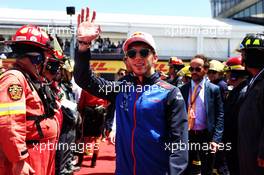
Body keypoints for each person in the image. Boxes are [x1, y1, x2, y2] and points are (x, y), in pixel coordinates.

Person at [74, 7, 188, 175]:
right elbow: (84, 79)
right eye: (132, 53)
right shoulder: (122, 87)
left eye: (144, 52)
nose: (138, 58)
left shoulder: (170, 92)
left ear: (155, 57)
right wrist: (84, 46)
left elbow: (179, 144)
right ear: (126, 59)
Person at [0, 25, 62, 175]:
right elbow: (10, 122)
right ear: (37, 57)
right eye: (46, 58)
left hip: (42, 152)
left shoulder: (31, 79)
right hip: (29, 156)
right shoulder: (14, 79)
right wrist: (19, 160)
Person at [180, 54, 224, 175]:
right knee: (185, 169)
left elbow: (220, 115)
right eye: (191, 69)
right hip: (187, 135)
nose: (193, 72)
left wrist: (216, 140)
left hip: (206, 136)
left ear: (205, 69)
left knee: (207, 170)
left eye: (197, 69)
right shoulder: (182, 89)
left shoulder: (214, 89)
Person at [237, 33, 264, 175]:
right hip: (248, 149)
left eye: (244, 54)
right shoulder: (254, 80)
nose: (242, 59)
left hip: (258, 155)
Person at [222, 56, 248, 175]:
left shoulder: (242, 92)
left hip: (236, 143)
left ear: (234, 74)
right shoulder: (237, 90)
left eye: (228, 72)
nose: (226, 75)